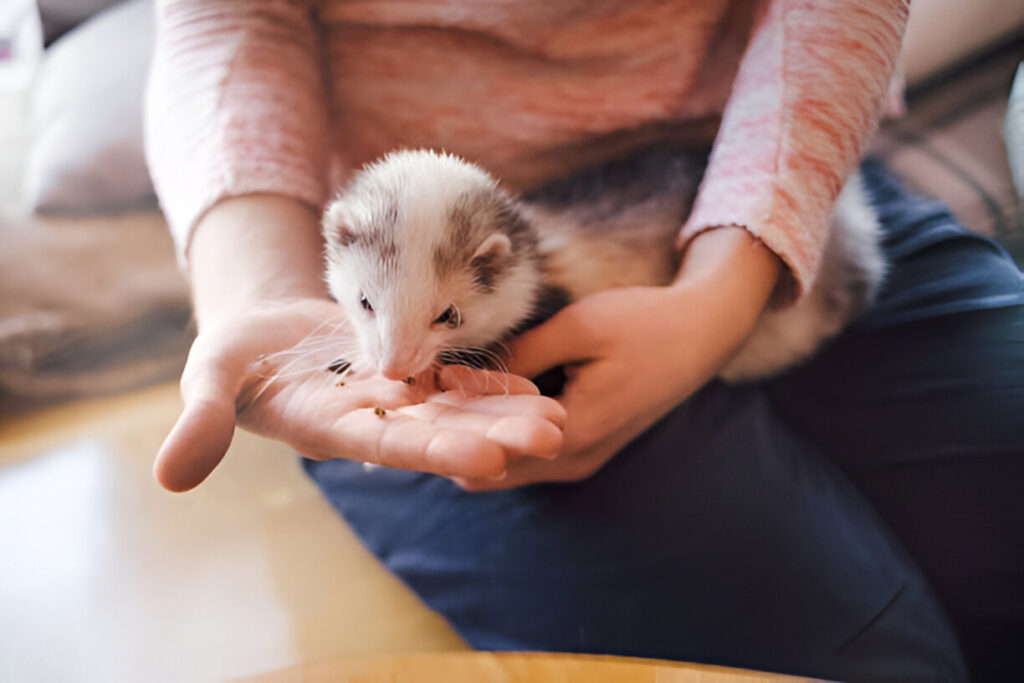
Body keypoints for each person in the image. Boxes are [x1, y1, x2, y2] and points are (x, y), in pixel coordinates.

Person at [145, 1, 1023, 680]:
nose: (391, 360)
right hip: (429, 245)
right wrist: (260, 294)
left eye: (435, 326)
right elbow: (229, 22)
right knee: (853, 651)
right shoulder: (388, 308)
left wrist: (718, 298)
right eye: (374, 320)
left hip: (779, 179)